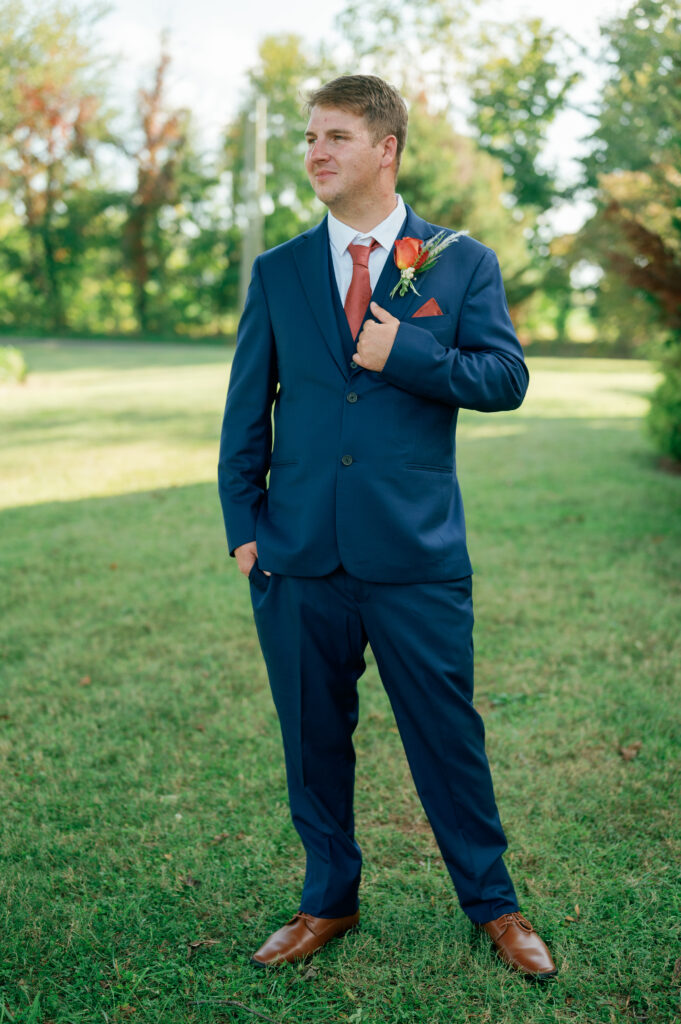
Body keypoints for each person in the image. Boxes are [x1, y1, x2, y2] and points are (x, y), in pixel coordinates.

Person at [217, 74, 557, 980]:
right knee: (311, 739)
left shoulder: (457, 261)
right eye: (308, 137)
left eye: (333, 137)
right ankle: (326, 899)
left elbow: (505, 378)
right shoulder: (279, 270)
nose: (315, 153)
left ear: (385, 149)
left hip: (414, 553)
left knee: (446, 738)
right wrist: (244, 527)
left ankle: (495, 906)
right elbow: (246, 413)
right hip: (296, 556)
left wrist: (405, 349)